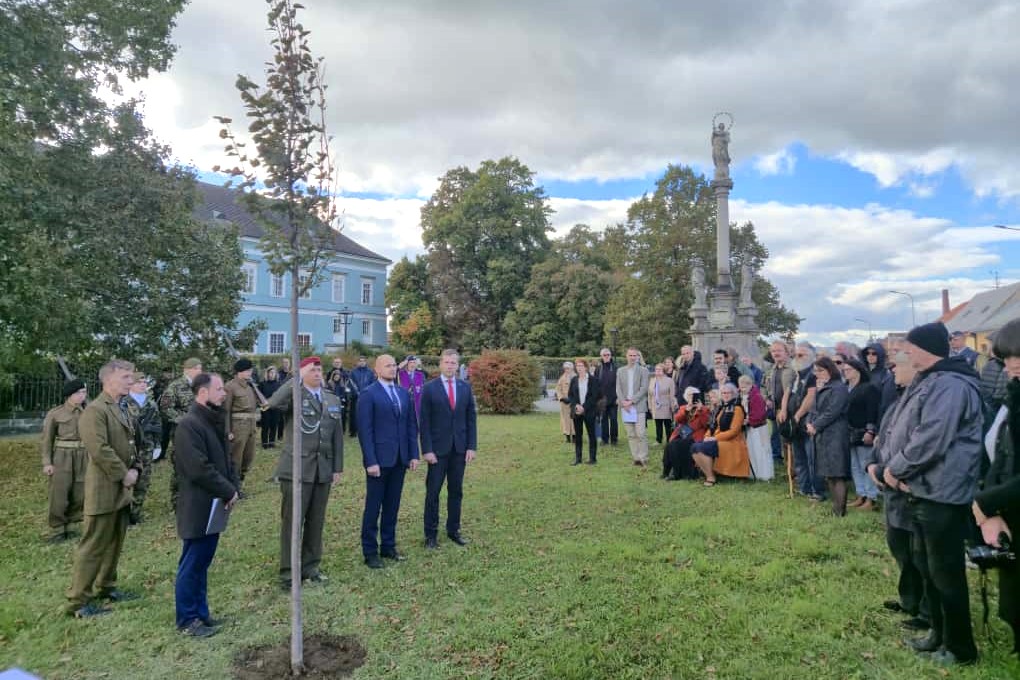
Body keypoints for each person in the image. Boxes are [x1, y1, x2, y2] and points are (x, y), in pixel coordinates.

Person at [880, 322, 982, 666]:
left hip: (943, 493)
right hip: (923, 490)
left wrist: (896, 469)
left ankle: (960, 648)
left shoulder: (951, 384)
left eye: (909, 347)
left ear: (925, 349)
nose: (904, 353)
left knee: (946, 573)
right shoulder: (930, 379)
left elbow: (931, 438)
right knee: (928, 568)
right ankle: (938, 634)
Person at [66, 359, 143, 618]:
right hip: (104, 487)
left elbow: (132, 443)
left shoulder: (122, 407)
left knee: (115, 541)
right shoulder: (95, 410)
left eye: (131, 377)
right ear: (108, 379)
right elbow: (99, 449)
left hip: (122, 488)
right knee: (94, 544)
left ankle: (106, 586)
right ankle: (78, 601)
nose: (131, 381)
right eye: (126, 377)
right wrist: (124, 474)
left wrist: (136, 469)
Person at [266, 356, 344, 589]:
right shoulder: (295, 396)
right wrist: (295, 380)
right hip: (297, 469)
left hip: (322, 469)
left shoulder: (331, 398)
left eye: (319, 370)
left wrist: (337, 467)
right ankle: (289, 573)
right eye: (312, 370)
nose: (318, 373)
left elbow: (337, 436)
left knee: (316, 521)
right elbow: (273, 403)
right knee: (293, 523)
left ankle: (310, 567)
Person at [867, 349, 930, 635]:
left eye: (898, 365)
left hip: (909, 485)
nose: (892, 370)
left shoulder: (924, 398)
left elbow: (920, 444)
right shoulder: (899, 399)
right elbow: (885, 437)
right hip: (890, 485)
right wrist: (873, 463)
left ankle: (927, 610)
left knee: (919, 553)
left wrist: (893, 471)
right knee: (900, 546)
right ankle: (909, 599)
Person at [172, 372, 239, 638]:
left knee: (202, 563)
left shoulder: (211, 421)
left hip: (214, 504)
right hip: (198, 505)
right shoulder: (188, 426)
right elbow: (199, 468)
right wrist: (227, 489)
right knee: (192, 564)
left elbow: (226, 460)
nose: (224, 394)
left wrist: (233, 487)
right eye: (219, 389)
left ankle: (201, 613)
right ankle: (188, 619)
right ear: (203, 393)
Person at [971, 318, 1020, 658]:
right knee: (1013, 602)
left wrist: (986, 503)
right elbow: (999, 455)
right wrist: (990, 510)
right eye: (1007, 357)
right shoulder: (1012, 396)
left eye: (1019, 355)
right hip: (1010, 510)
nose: (1012, 364)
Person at [358, 354, 420, 568]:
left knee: (392, 506)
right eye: (387, 366)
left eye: (394, 365)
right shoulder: (368, 394)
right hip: (379, 460)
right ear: (377, 369)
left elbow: (411, 425)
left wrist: (413, 454)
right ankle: (370, 551)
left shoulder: (403, 393)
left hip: (400, 459)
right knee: (373, 507)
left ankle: (388, 545)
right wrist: (370, 461)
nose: (392, 368)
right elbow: (365, 431)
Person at [419, 349, 478, 549]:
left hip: (459, 449)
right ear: (440, 364)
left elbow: (471, 419)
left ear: (457, 365)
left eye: (453, 363)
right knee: (433, 493)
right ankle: (430, 535)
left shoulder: (465, 387)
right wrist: (427, 449)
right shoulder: (429, 388)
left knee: (456, 491)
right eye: (447, 362)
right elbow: (424, 422)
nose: (450, 366)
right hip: (437, 451)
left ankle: (453, 530)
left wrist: (471, 446)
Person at [40, 379, 89, 542]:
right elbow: (47, 440)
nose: (82, 396)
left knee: (80, 491)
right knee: (59, 492)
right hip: (62, 456)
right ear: (69, 395)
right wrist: (47, 462)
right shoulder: (56, 413)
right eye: (78, 393)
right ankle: (58, 528)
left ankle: (74, 524)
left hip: (83, 455)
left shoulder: (88, 412)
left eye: (84, 392)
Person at [806, 357, 850, 516]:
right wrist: (809, 422)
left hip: (836, 434)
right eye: (815, 371)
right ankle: (835, 508)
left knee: (837, 473)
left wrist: (815, 425)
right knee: (829, 473)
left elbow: (833, 411)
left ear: (830, 370)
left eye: (821, 370)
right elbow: (815, 409)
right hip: (824, 434)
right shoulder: (826, 386)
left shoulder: (838, 388)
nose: (817, 374)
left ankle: (840, 511)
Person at [159, 357, 202, 511]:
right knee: (180, 465)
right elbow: (165, 408)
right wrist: (183, 420)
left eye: (200, 368)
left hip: (199, 431)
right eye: (197, 368)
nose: (200, 371)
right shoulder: (175, 386)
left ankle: (194, 496)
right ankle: (177, 501)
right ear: (187, 369)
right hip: (182, 432)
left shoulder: (201, 386)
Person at [786, 342, 825, 500]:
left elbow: (811, 396)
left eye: (801, 355)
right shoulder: (797, 374)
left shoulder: (813, 374)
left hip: (808, 421)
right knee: (799, 456)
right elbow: (789, 393)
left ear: (811, 357)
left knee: (812, 458)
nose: (797, 357)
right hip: (796, 422)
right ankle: (804, 487)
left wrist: (798, 415)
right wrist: (785, 410)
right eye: (796, 355)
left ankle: (817, 490)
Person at [692, 382, 749, 485]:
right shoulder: (722, 408)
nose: (725, 395)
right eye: (723, 393)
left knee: (703, 448)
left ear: (733, 394)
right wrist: (707, 436)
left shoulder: (737, 409)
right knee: (695, 447)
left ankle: (710, 477)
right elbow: (713, 426)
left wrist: (715, 438)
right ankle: (708, 473)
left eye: (728, 393)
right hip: (718, 438)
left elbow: (734, 431)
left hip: (732, 441)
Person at [842, 358, 880, 511]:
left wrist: (870, 430)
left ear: (858, 370)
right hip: (849, 431)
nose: (846, 372)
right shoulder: (846, 388)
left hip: (863, 431)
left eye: (848, 370)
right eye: (844, 370)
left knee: (866, 464)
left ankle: (871, 498)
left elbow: (873, 410)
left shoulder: (868, 388)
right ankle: (861, 494)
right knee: (855, 465)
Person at [124, 372, 161, 525]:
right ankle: (123, 513)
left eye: (144, 382)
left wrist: (157, 445)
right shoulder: (124, 402)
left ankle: (135, 514)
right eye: (139, 382)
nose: (142, 385)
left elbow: (158, 425)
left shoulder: (151, 404)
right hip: (129, 447)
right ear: (131, 384)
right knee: (126, 480)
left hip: (147, 447)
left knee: (143, 481)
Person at [224, 358, 259, 495]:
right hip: (238, 427)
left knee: (248, 457)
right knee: (236, 459)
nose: (250, 372)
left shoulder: (250, 387)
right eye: (248, 370)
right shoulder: (230, 387)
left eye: (250, 370)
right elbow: (226, 410)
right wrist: (228, 430)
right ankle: (234, 488)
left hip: (251, 426)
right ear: (240, 371)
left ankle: (240, 483)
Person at [662, 388, 710, 480]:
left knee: (676, 445)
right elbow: (678, 420)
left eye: (693, 395)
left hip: (695, 436)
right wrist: (686, 411)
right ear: (686, 397)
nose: (691, 397)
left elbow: (705, 424)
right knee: (670, 445)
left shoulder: (704, 409)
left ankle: (676, 473)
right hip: (682, 434)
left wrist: (700, 410)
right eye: (689, 395)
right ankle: (668, 470)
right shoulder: (683, 407)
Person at [616, 348, 650, 467]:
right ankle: (636, 458)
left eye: (635, 355)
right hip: (625, 407)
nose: (632, 357)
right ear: (626, 356)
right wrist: (623, 402)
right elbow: (618, 388)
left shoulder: (643, 371)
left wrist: (631, 401)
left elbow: (644, 388)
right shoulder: (620, 371)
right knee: (631, 434)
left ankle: (643, 457)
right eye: (630, 355)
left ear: (638, 357)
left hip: (638, 406)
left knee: (641, 434)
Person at [764, 340, 795, 463]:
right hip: (777, 408)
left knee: (792, 439)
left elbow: (791, 390)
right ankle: (787, 466)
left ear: (786, 352)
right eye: (773, 351)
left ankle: (795, 468)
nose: (776, 353)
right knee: (781, 437)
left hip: (791, 409)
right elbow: (765, 385)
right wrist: (767, 398)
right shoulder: (773, 369)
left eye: (779, 350)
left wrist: (785, 409)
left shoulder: (793, 368)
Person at [568, 358, 602, 466]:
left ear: (586, 367)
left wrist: (584, 407)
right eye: (577, 366)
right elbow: (570, 395)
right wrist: (576, 405)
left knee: (592, 435)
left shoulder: (593, 380)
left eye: (581, 366)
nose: (579, 368)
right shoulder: (574, 380)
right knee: (578, 435)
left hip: (589, 411)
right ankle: (578, 458)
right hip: (577, 412)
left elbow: (595, 396)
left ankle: (592, 458)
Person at [738, 375, 772, 481]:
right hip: (750, 428)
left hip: (758, 427)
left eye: (744, 387)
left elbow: (760, 413)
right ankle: (754, 473)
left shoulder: (756, 396)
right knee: (752, 450)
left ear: (750, 385)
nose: (742, 389)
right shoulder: (744, 396)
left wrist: (749, 420)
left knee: (760, 449)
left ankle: (764, 474)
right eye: (741, 387)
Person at [861, 342, 898, 420]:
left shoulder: (886, 375)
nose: (870, 356)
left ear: (880, 355)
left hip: (876, 417)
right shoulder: (861, 372)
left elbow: (886, 402)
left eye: (874, 354)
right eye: (867, 353)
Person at [593, 348, 618, 446]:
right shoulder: (598, 369)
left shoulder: (616, 368)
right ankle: (605, 439)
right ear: (601, 356)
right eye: (604, 355)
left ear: (610, 356)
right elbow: (595, 384)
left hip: (614, 399)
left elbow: (619, 384)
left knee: (613, 420)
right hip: (602, 400)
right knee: (603, 420)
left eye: (608, 354)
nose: (606, 356)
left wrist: (618, 397)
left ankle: (614, 439)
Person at [649, 363, 677, 444]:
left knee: (667, 425)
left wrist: (672, 407)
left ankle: (669, 440)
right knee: (658, 424)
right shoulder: (652, 380)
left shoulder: (669, 380)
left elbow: (672, 395)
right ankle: (658, 439)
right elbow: (649, 394)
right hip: (655, 406)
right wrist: (650, 406)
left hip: (666, 406)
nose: (657, 371)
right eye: (656, 369)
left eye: (659, 370)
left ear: (664, 371)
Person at [350, 355, 376, 437]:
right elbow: (351, 383)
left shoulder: (370, 372)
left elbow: (372, 383)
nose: (362, 362)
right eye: (360, 361)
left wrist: (367, 394)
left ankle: (366, 430)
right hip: (355, 397)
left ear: (366, 362)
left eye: (363, 361)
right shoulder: (353, 372)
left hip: (367, 397)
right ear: (358, 362)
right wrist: (356, 393)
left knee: (367, 414)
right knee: (355, 414)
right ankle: (354, 431)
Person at [259, 366, 281, 449]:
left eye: (273, 373)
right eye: (270, 372)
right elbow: (259, 396)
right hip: (265, 408)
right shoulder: (262, 384)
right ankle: (264, 443)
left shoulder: (278, 384)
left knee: (274, 425)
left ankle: (272, 443)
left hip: (275, 408)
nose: (272, 374)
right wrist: (261, 404)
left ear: (276, 374)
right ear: (267, 373)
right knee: (265, 426)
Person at [555, 361, 575, 443]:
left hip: (574, 402)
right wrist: (562, 398)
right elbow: (558, 389)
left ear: (572, 368)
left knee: (574, 419)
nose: (567, 370)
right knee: (565, 419)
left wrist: (573, 398)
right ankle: (567, 436)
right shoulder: (562, 378)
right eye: (565, 368)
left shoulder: (576, 377)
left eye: (568, 368)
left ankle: (574, 436)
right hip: (564, 402)